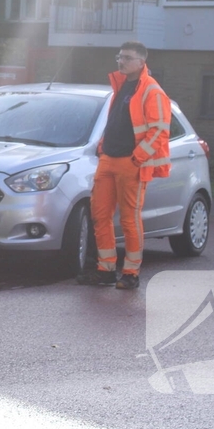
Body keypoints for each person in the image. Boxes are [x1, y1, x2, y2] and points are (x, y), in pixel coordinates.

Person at [77, 41, 171, 291]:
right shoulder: (121, 85)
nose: (121, 61)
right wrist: (102, 146)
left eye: (127, 58)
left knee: (130, 220)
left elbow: (160, 130)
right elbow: (117, 122)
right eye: (119, 57)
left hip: (131, 163)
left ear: (141, 62)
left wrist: (137, 158)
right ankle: (106, 269)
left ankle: (131, 272)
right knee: (100, 216)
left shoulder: (152, 90)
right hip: (108, 159)